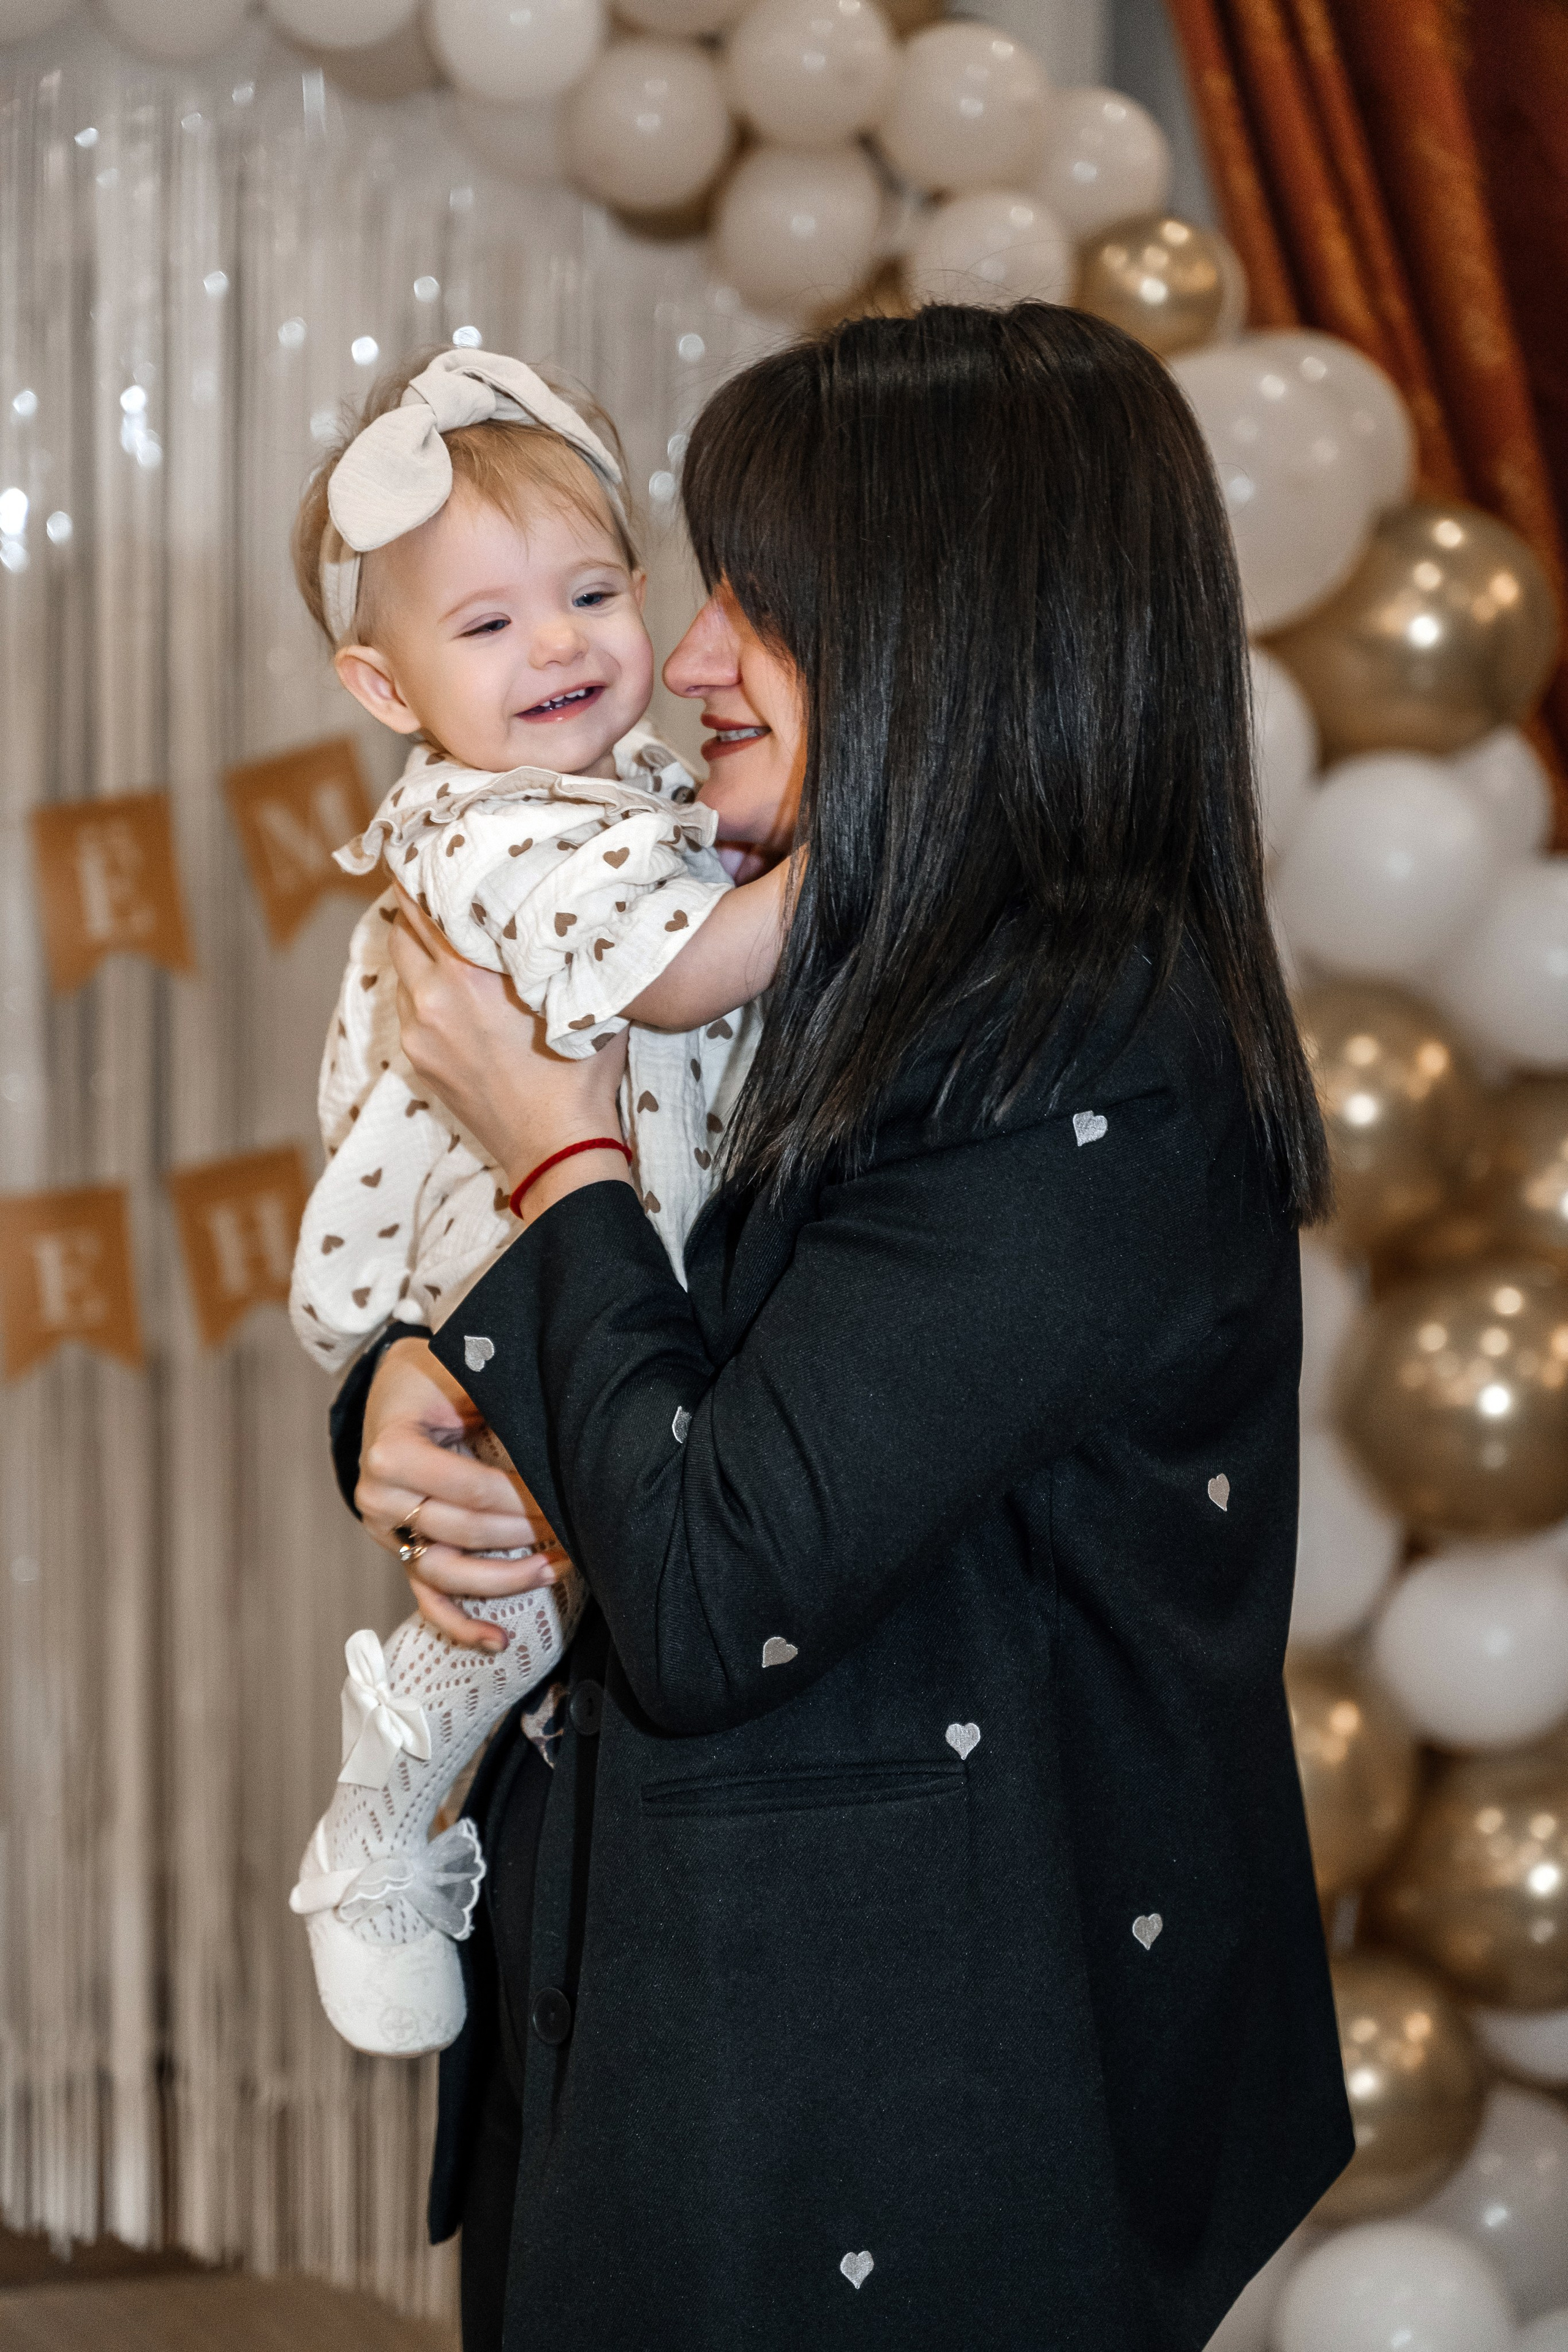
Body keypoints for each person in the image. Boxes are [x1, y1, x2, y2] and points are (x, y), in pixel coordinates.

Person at [349, 303, 1355, 2350]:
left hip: (893, 2108)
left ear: (947, 632)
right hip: (657, 2016)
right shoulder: (787, 924)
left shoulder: (1094, 1051)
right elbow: (604, 1325)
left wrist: (554, 1158)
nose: (688, 660)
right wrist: (394, 1403)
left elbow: (721, 1582)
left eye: (761, 603)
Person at [284, 346, 789, 2059]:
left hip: (597, 1241)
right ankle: (380, 1828)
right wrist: (874, 840)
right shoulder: (489, 833)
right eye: (486, 628)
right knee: (513, 1577)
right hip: (502, 1247)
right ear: (385, 683)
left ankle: (402, 1802)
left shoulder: (624, 795)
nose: (559, 645)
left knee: (564, 1570)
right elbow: (692, 974)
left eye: (589, 592)